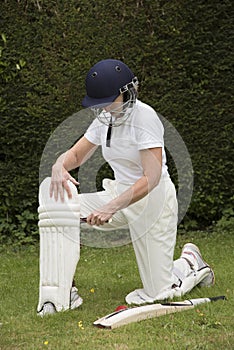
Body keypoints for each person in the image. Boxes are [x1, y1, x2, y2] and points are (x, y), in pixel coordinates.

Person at [37, 59, 215, 316]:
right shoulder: (105, 118)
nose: (103, 108)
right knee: (60, 211)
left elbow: (151, 178)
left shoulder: (146, 118)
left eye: (108, 100)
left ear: (127, 91)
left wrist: (112, 206)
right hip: (118, 193)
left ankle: (191, 262)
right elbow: (76, 156)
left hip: (153, 201)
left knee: (159, 294)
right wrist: (58, 164)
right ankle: (63, 293)